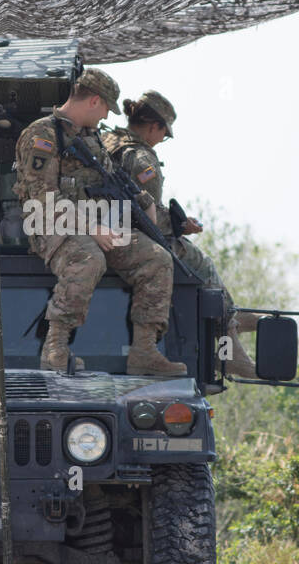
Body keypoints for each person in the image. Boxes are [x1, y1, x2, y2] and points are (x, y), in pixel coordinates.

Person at [13, 68, 187, 377]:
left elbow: (114, 180)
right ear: (94, 100)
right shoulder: (42, 135)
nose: (107, 115)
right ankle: (56, 347)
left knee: (157, 259)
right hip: (54, 226)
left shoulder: (91, 138)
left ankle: (144, 351)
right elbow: (42, 197)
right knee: (88, 258)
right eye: (106, 107)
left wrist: (144, 202)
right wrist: (92, 229)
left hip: (100, 226)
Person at [101, 91, 258, 378]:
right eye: (164, 134)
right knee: (203, 265)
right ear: (154, 127)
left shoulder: (109, 141)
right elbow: (145, 215)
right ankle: (227, 340)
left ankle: (231, 317)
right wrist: (180, 225)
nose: (162, 140)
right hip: (133, 237)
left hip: (109, 228)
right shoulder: (140, 158)